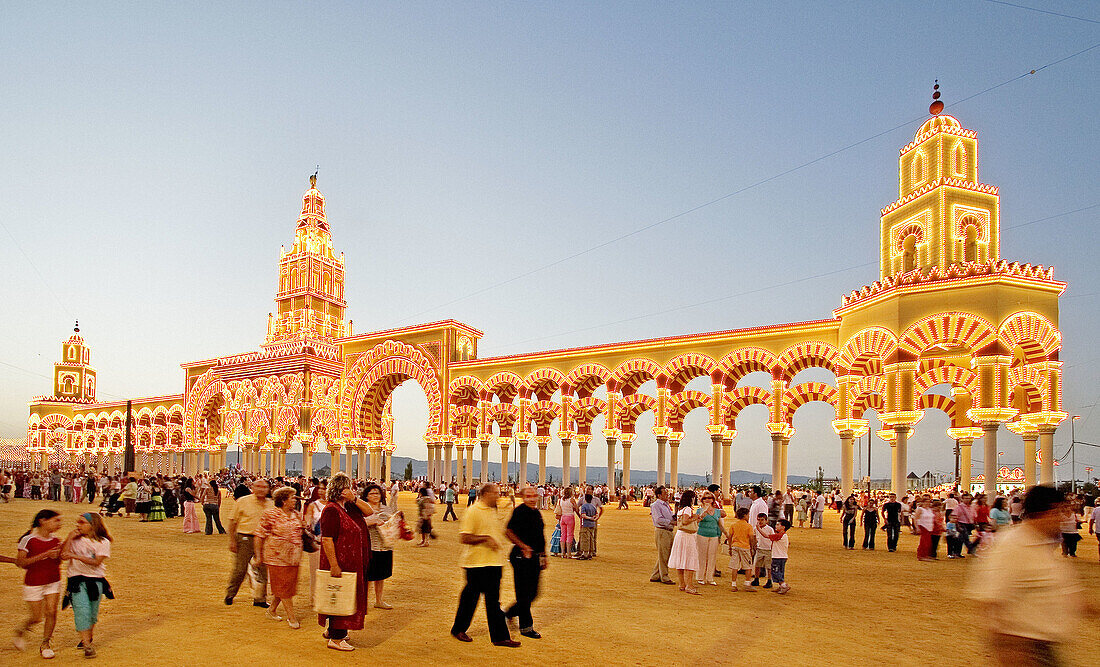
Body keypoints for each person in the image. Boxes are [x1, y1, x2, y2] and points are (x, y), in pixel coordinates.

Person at [968, 485, 1094, 666]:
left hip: (1047, 648)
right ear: (1044, 513)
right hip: (1024, 649)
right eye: (1059, 512)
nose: (1062, 519)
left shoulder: (1047, 546)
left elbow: (1073, 597)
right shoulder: (1012, 546)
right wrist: (1008, 650)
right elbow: (990, 601)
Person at [451, 483, 520, 647]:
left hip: (494, 563)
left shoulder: (492, 511)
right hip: (476, 564)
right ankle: (459, 629)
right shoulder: (473, 511)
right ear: (486, 494)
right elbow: (465, 537)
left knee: (493, 602)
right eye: (495, 493)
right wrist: (485, 539)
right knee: (470, 600)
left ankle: (500, 637)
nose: (498, 495)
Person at [318, 473, 369, 652]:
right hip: (339, 561)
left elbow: (369, 511)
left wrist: (354, 499)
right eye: (348, 487)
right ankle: (336, 638)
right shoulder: (331, 510)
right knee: (338, 597)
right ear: (340, 490)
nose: (351, 490)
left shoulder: (348, 507)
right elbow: (327, 539)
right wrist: (334, 564)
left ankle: (334, 631)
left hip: (351, 561)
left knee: (343, 597)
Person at [60, 513, 113, 659]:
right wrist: (70, 538)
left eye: (82, 523)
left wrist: (75, 556)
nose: (78, 525)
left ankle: (87, 637)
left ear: (93, 525)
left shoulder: (103, 542)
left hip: (95, 580)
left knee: (92, 613)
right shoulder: (75, 540)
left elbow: (96, 562)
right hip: (76, 580)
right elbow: (63, 554)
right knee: (82, 610)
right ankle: (87, 645)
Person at [14, 509, 63, 659]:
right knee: (36, 617)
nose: (59, 524)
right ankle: (21, 631)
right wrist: (45, 555)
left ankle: (45, 643)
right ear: (43, 521)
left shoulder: (56, 541)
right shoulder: (28, 540)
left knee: (51, 612)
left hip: (53, 580)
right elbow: (21, 563)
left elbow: (58, 561)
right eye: (56, 520)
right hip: (34, 582)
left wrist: (58, 556)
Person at [257, 486, 304, 629]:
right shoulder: (270, 514)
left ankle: (271, 610)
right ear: (284, 500)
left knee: (286, 586)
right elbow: (259, 535)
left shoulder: (297, 515)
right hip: (276, 557)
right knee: (284, 586)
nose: (295, 500)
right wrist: (258, 555)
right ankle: (291, 617)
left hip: (294, 557)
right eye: (292, 497)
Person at [503, 486, 547, 639]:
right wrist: (523, 546)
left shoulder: (536, 513)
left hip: (535, 557)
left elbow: (540, 536)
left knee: (533, 593)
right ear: (523, 497)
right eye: (529, 496)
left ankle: (508, 613)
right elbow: (508, 531)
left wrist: (543, 555)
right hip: (521, 557)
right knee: (523, 594)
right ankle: (526, 627)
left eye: (535, 495)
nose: (532, 498)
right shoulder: (519, 511)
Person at [224, 478, 273, 607]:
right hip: (245, 538)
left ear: (268, 489)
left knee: (263, 570)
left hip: (263, 540)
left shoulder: (271, 504)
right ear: (253, 488)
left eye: (264, 487)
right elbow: (232, 522)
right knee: (240, 569)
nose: (261, 490)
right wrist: (232, 540)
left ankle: (260, 598)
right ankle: (230, 593)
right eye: (258, 486)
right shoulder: (243, 501)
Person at [360, 484, 396, 608]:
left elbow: (394, 523)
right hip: (371, 546)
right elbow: (358, 524)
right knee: (368, 576)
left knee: (381, 575)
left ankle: (379, 600)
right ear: (366, 496)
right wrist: (373, 521)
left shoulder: (387, 509)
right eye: (372, 493)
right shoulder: (363, 509)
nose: (375, 496)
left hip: (386, 545)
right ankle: (363, 602)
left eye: (377, 493)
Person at [667, 489, 702, 595]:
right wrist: (694, 518)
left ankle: (682, 584)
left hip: (680, 534)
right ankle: (689, 585)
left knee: (681, 559)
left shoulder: (680, 509)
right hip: (687, 536)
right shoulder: (687, 509)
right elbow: (686, 521)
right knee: (689, 560)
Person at [303, 480, 328, 606]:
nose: (322, 491)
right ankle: (314, 598)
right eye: (321, 488)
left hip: (331, 543)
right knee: (315, 572)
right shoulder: (314, 505)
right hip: (316, 544)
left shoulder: (335, 505)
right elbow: (307, 519)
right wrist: (307, 525)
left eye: (325, 488)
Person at [694, 490, 722, 586]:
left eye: (709, 498)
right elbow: (697, 521)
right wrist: (703, 512)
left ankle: (710, 577)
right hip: (702, 534)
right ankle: (700, 577)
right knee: (702, 556)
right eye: (705, 498)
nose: (707, 500)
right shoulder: (699, 510)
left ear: (713, 500)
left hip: (714, 535)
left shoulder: (718, 512)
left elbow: (719, 524)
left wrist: (719, 535)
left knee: (712, 557)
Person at [649, 486, 675, 584]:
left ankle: (656, 575)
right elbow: (658, 519)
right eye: (665, 493)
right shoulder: (656, 505)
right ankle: (664, 576)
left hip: (667, 531)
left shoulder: (666, 505)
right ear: (659, 495)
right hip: (662, 531)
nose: (667, 495)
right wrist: (671, 522)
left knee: (664, 554)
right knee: (664, 554)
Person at [726, 507, 755, 592]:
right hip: (745, 547)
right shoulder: (748, 526)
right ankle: (747, 584)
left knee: (735, 566)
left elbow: (730, 537)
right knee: (748, 566)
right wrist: (752, 547)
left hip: (735, 546)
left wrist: (730, 547)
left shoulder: (734, 525)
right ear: (745, 515)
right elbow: (751, 538)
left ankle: (733, 584)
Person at [765, 518, 791, 594]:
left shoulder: (779, 535)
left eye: (778, 524)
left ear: (783, 527)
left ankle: (783, 585)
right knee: (780, 571)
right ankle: (781, 586)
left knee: (775, 572)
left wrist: (759, 529)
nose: (776, 526)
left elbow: (766, 536)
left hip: (778, 557)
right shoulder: (783, 535)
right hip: (782, 556)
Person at [750, 513, 774, 589]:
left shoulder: (770, 529)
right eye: (759, 520)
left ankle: (769, 580)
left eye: (762, 520)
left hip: (768, 549)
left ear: (766, 521)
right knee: (757, 565)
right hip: (759, 549)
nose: (760, 522)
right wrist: (753, 545)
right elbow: (754, 537)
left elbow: (771, 539)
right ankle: (756, 579)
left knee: (768, 566)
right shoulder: (755, 528)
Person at [555, 487, 580, 559]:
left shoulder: (561, 500)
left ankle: (563, 553)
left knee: (563, 535)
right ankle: (568, 553)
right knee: (570, 535)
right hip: (570, 517)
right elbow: (576, 508)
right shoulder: (572, 500)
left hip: (563, 518)